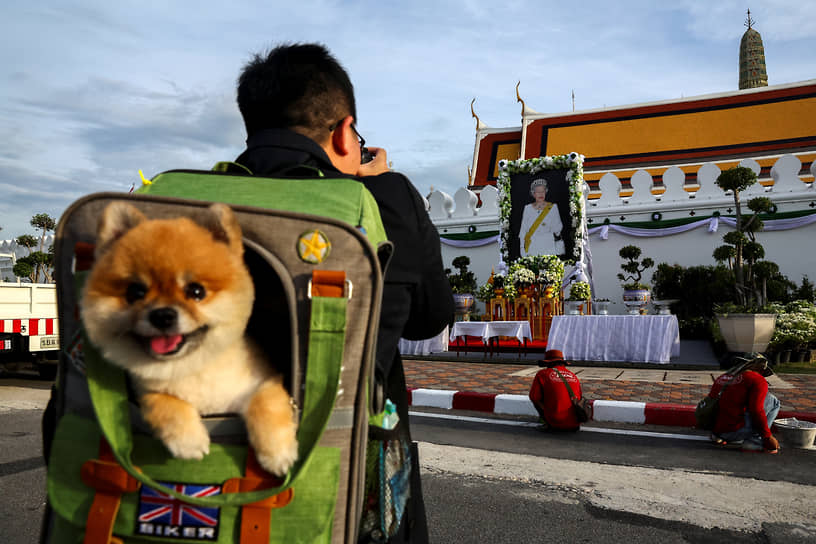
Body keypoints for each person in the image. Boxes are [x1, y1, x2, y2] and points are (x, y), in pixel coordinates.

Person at [234, 43, 454, 543]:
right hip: (349, 476)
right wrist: (378, 189)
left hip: (199, 469)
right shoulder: (384, 197)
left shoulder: (191, 200)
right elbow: (429, 318)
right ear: (342, 131)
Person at [709, 354, 781, 453]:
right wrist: (767, 437)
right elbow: (756, 410)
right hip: (735, 431)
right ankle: (754, 441)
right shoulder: (757, 380)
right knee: (773, 400)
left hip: (716, 430)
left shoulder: (724, 377)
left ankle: (717, 436)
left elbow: (711, 399)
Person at [528, 349, 582, 431]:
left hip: (555, 423)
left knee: (536, 396)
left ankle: (548, 422)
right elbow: (580, 397)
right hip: (575, 424)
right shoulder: (573, 375)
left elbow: (534, 397)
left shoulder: (542, 373)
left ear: (548, 362)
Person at [518, 178, 564, 257]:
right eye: (538, 192)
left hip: (548, 246)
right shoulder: (528, 208)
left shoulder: (553, 207)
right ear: (533, 193)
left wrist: (547, 225)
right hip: (532, 247)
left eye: (543, 191)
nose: (541, 194)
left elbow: (558, 228)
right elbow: (523, 230)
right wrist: (522, 248)